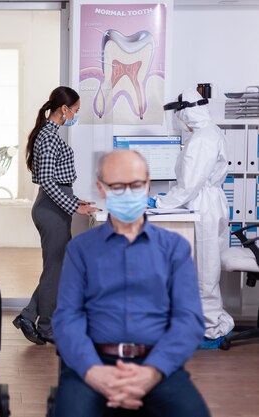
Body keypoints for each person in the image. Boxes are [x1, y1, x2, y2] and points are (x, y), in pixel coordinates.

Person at [51, 150, 210, 417]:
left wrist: (152, 372)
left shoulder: (174, 249)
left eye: (135, 185)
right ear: (102, 189)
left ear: (147, 184)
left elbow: (188, 319)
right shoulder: (80, 249)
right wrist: (92, 371)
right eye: (117, 187)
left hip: (157, 365)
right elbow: (67, 318)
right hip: (94, 364)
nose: (128, 193)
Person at [12, 86, 100, 345]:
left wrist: (75, 200)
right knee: (56, 270)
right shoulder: (48, 137)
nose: (76, 115)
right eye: (76, 110)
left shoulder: (49, 134)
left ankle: (30, 316)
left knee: (58, 268)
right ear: (64, 109)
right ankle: (46, 326)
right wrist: (75, 207)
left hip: (56, 205)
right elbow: (49, 183)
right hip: (51, 209)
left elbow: (56, 182)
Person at [152, 88, 234, 348]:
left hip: (204, 206)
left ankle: (211, 330)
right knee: (203, 269)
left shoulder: (202, 139)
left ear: (187, 111)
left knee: (205, 272)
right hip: (208, 203)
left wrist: (161, 202)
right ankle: (208, 322)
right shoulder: (208, 132)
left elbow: (190, 184)